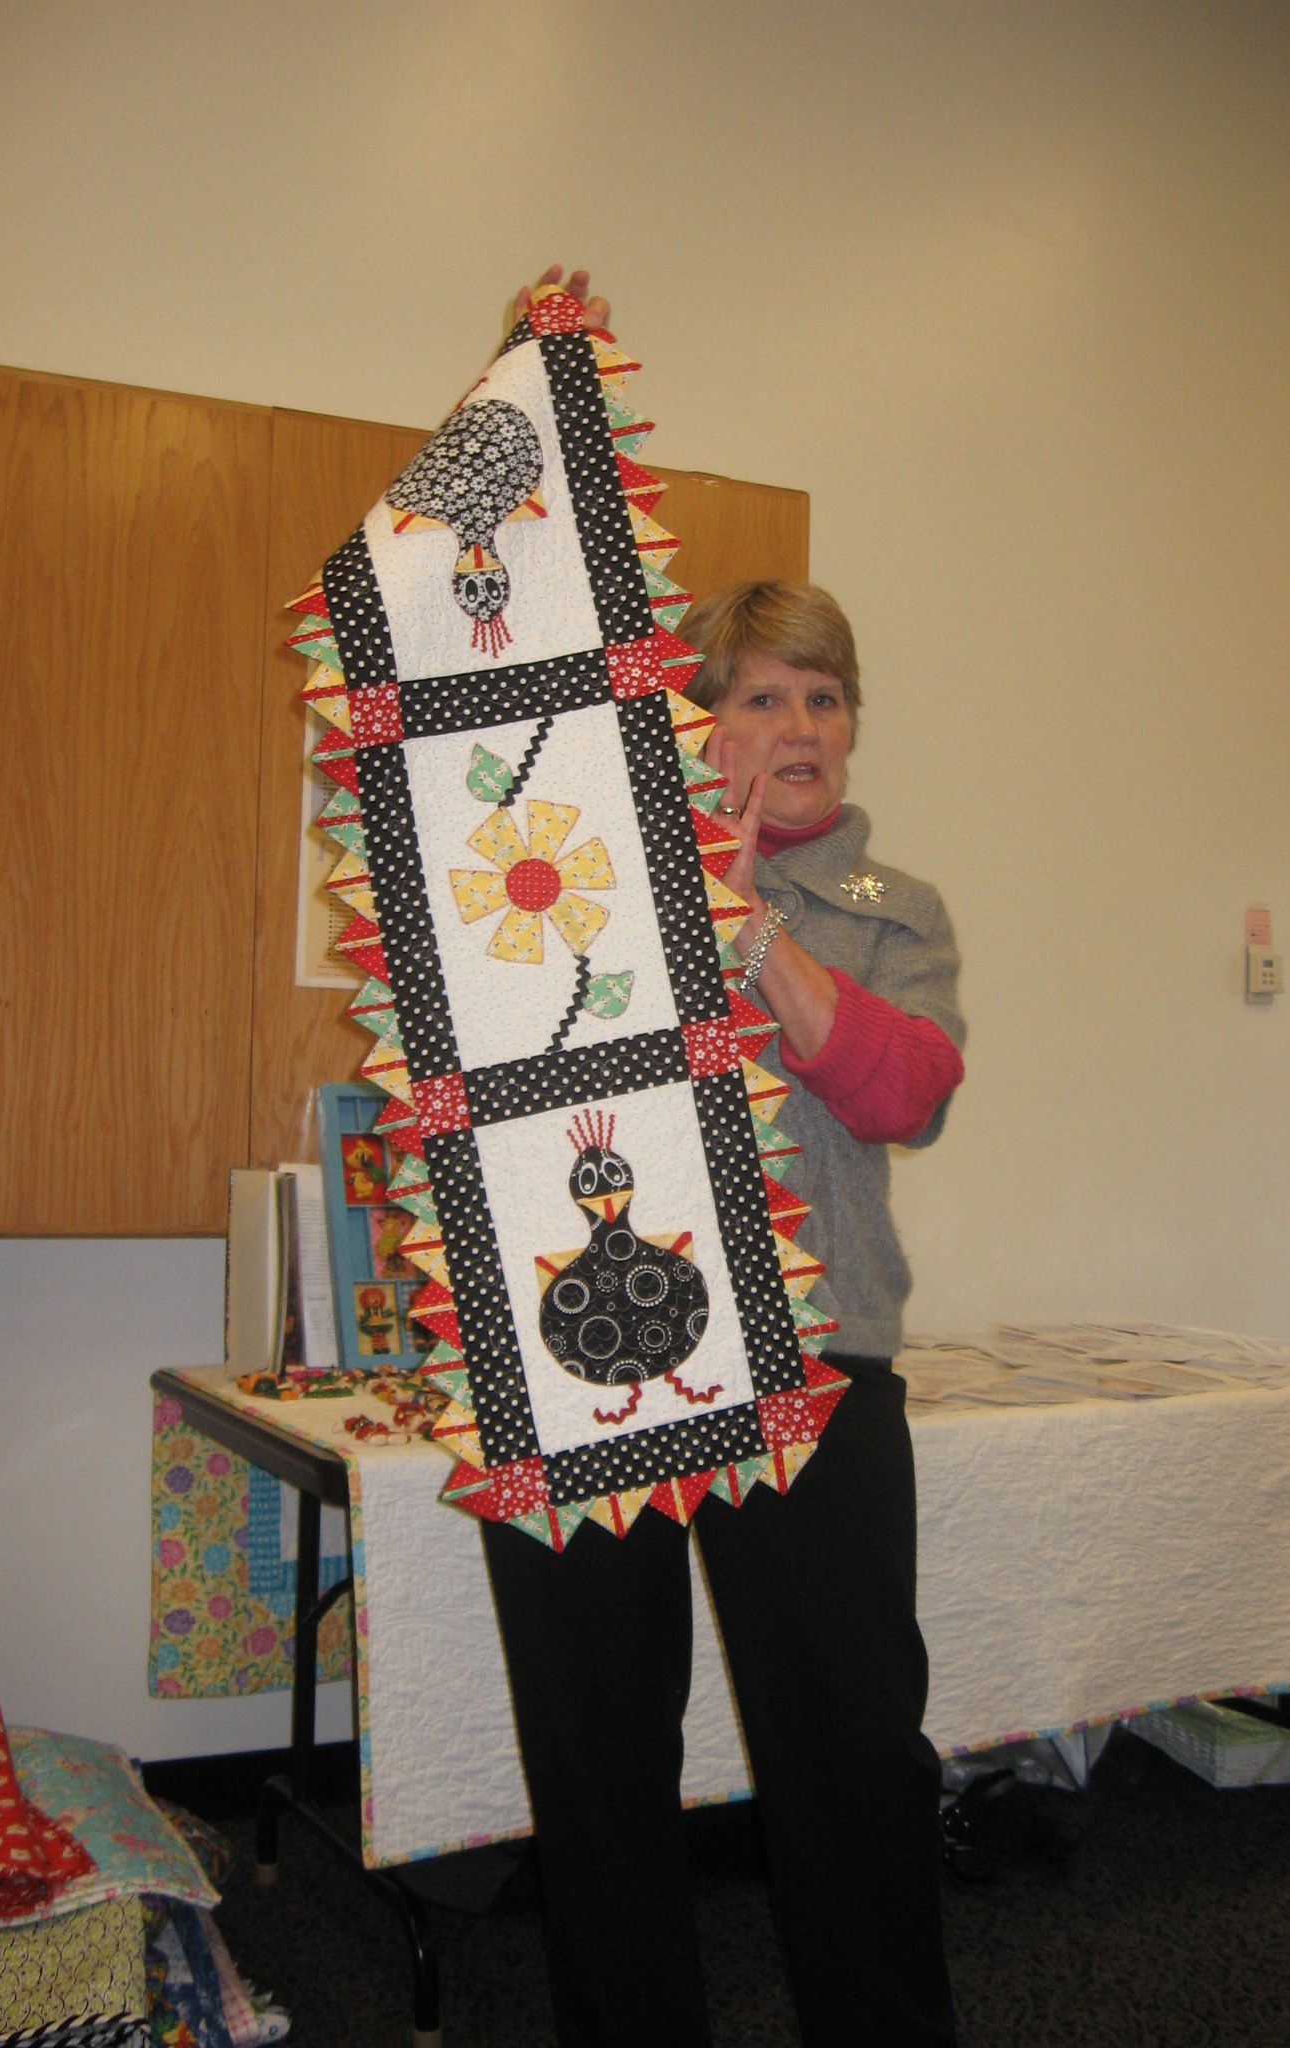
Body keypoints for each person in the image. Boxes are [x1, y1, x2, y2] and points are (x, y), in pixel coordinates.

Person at [480, 274, 966, 2048]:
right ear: (700, 721)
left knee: (852, 1753)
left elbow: (906, 1090)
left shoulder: (892, 909)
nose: (799, 725)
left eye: (826, 695)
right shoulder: (583, 886)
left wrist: (752, 929)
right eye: (761, 695)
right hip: (597, 1357)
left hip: (822, 1371)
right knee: (602, 1762)